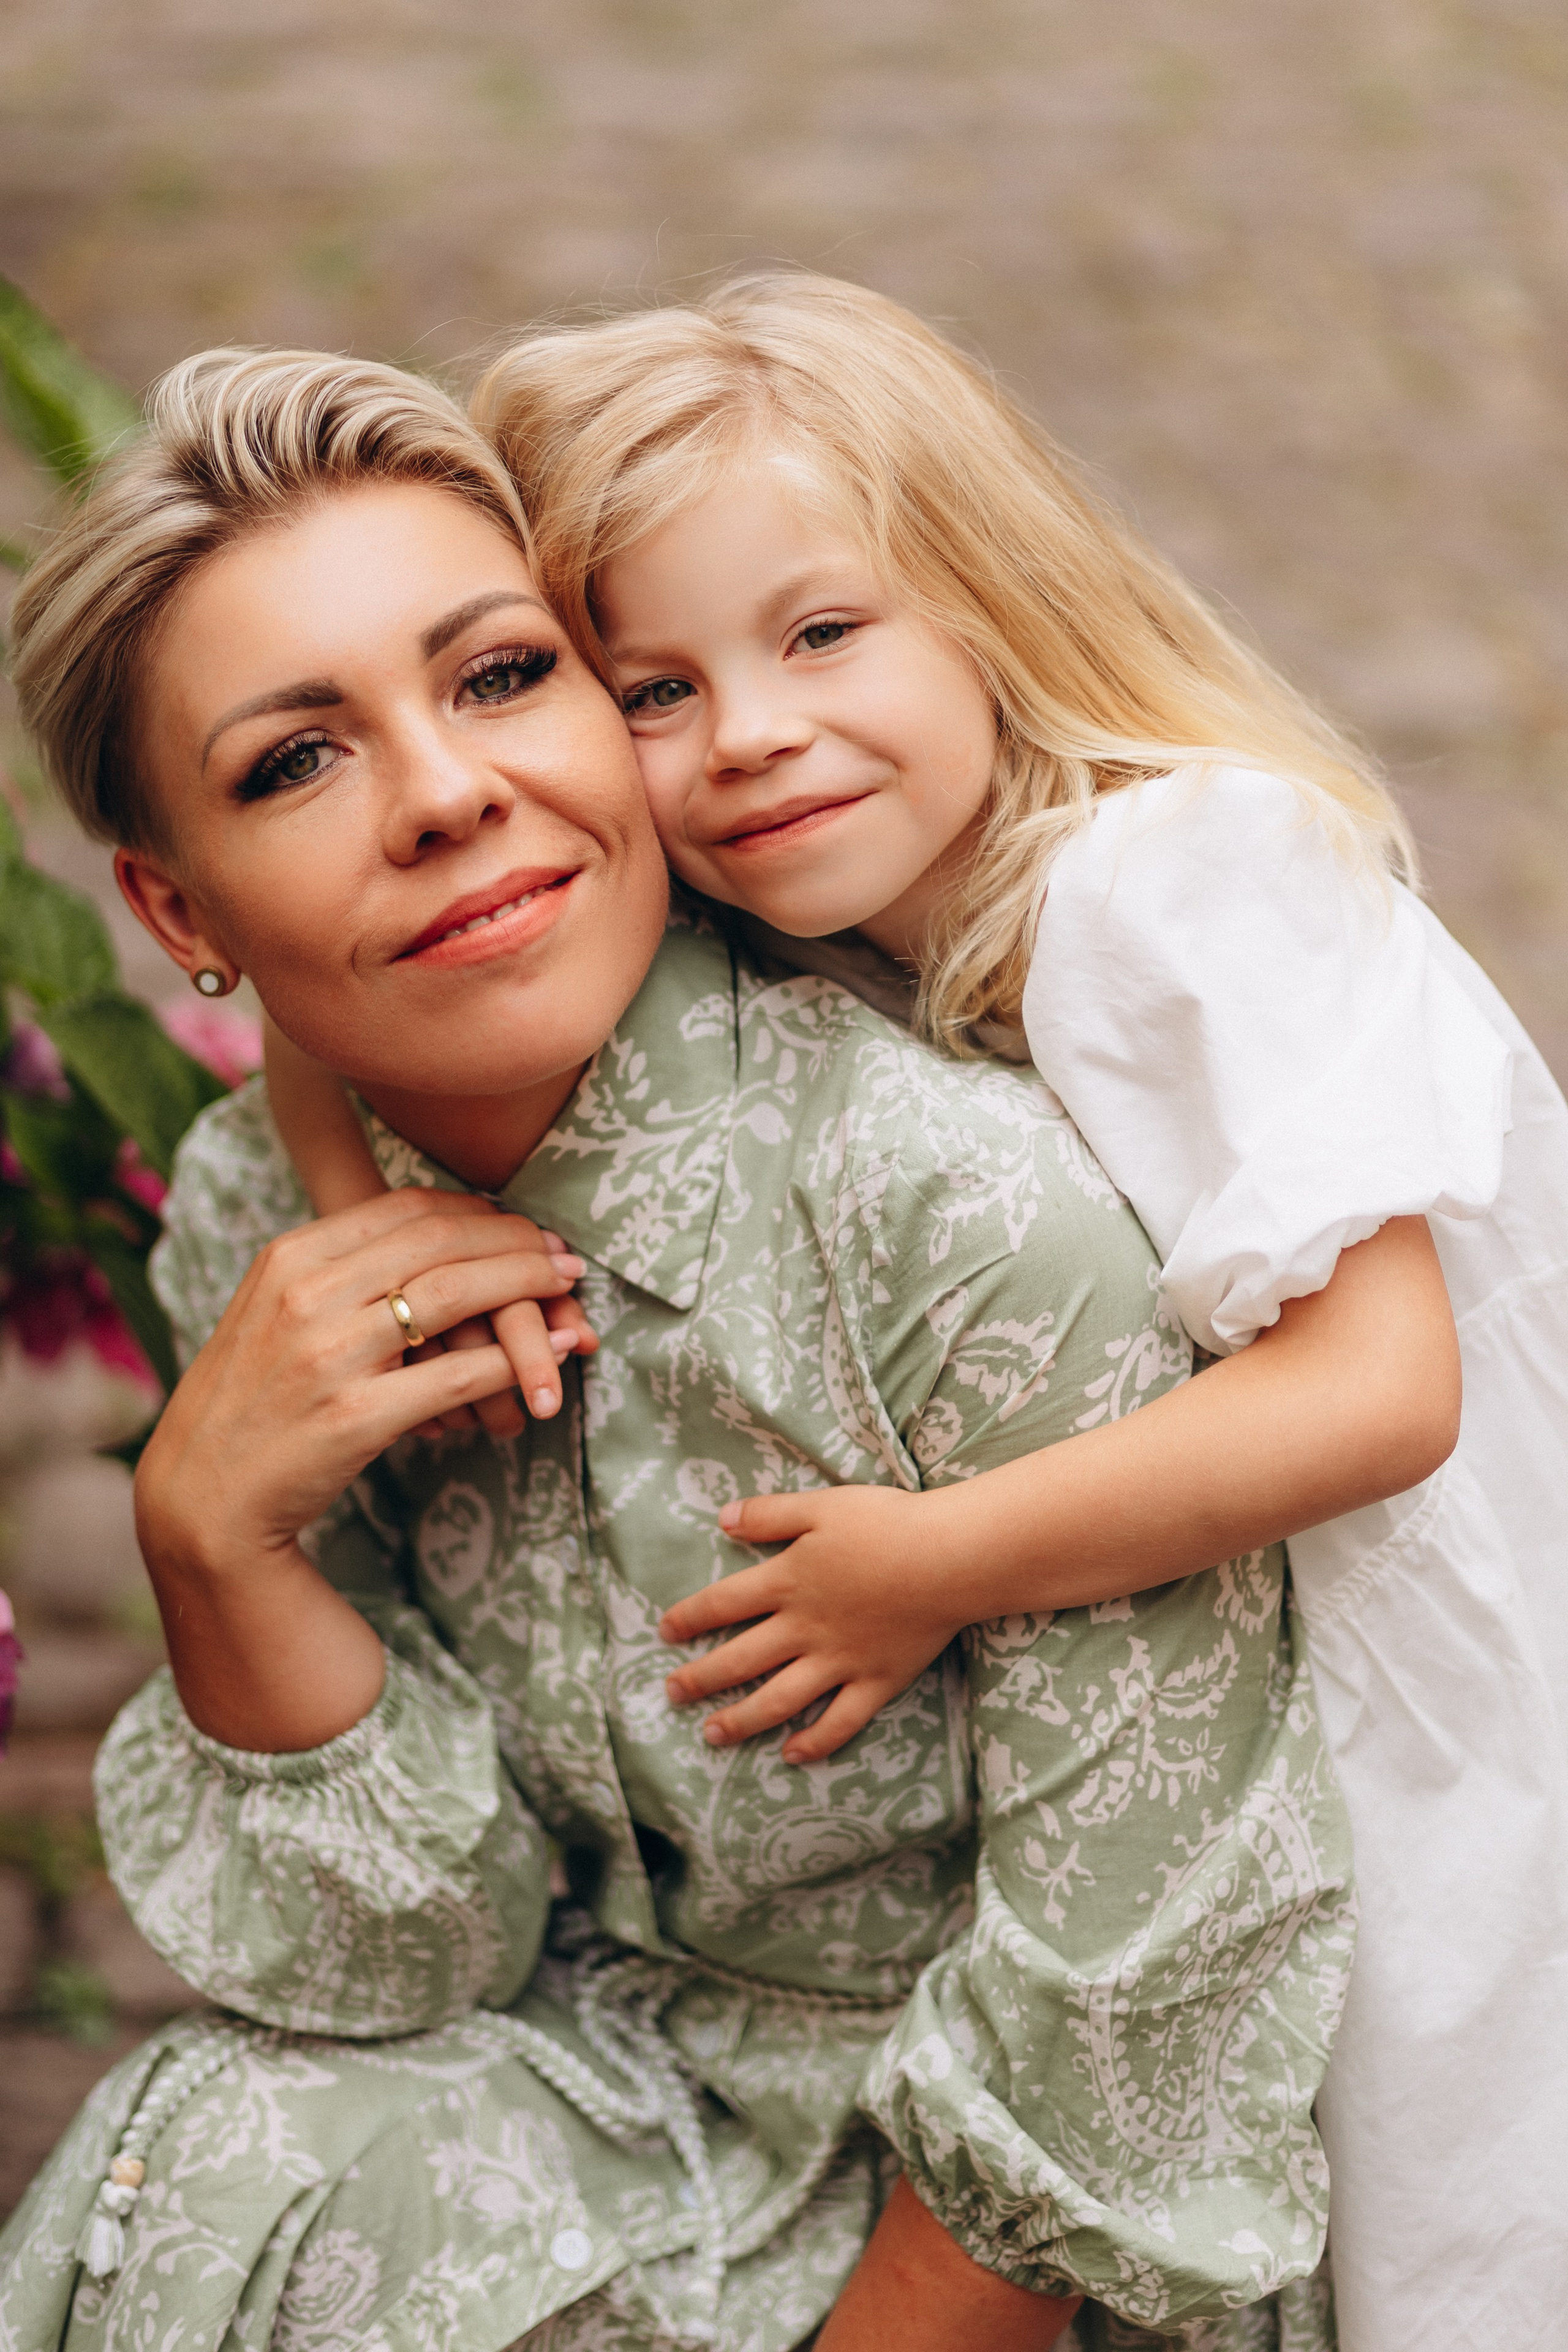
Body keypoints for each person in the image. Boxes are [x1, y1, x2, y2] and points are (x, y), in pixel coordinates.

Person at [0, 348, 1352, 2352]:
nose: (451, 791)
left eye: (499, 676)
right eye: (298, 760)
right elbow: (402, 1967)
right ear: (176, 909)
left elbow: (1142, 1980)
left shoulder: (945, 1208)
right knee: (211, 2162)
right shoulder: (260, 1232)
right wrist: (215, 1541)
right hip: (611, 2124)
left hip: (1013, 2241)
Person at [268, 273, 1567, 2352]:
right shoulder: (832, 890)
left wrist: (929, 1566)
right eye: (654, 686)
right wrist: (363, 1226)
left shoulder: (1173, 886)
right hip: (1218, 1690)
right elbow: (313, 1020)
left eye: (820, 632)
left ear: (985, 595)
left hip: (1425, 1691)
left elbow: (1385, 1390)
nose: (755, 732)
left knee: (1450, 2191)